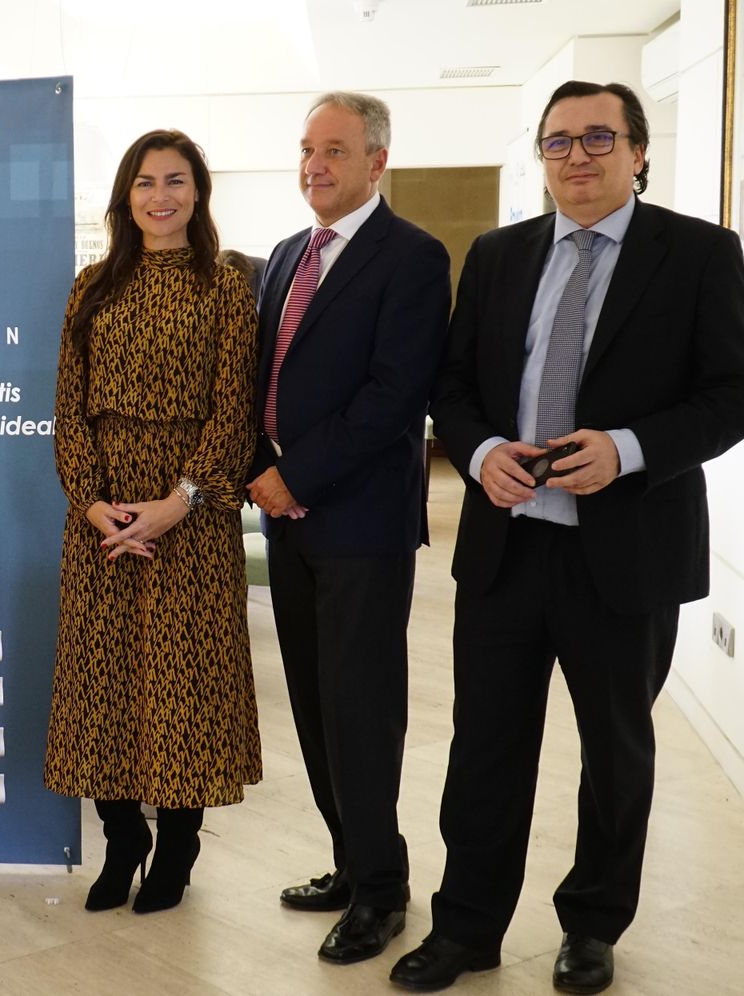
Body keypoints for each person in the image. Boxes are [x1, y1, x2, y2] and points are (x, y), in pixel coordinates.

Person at [391, 82, 744, 993]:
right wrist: (479, 451)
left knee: (614, 755)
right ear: (542, 157)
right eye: (558, 141)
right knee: (483, 749)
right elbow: (451, 383)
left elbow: (737, 395)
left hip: (625, 554)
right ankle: (468, 927)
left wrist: (629, 449)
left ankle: (593, 923)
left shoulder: (698, 254)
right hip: (507, 548)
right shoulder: (497, 254)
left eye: (600, 137)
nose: (578, 156)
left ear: (638, 151)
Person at [244, 91, 451, 966]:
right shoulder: (290, 253)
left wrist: (296, 474)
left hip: (360, 525)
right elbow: (262, 380)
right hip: (289, 523)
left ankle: (382, 891)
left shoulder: (413, 257)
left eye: (333, 150)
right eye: (305, 149)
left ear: (377, 161)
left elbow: (394, 396)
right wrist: (262, 470)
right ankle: (349, 860)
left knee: (361, 712)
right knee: (315, 708)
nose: (314, 165)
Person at [43, 129, 262, 915]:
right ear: (124, 196)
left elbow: (234, 412)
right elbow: (67, 411)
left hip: (191, 515)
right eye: (144, 181)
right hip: (101, 516)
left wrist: (177, 503)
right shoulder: (91, 286)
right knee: (103, 682)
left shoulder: (228, 286)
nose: (159, 195)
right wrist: (94, 502)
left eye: (175, 180)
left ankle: (175, 845)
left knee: (183, 687)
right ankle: (120, 838)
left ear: (198, 192)